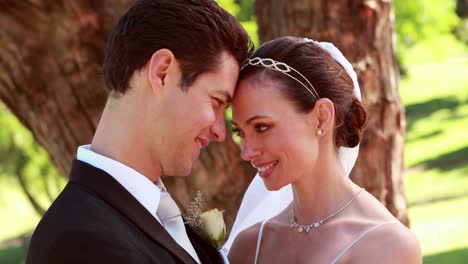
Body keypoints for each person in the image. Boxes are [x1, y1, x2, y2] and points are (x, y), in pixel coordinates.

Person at [26, 0, 251, 263]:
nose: (220, 132)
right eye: (215, 101)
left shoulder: (153, 215)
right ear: (162, 72)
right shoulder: (79, 242)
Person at [227, 36, 421, 264]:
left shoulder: (386, 246)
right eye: (240, 132)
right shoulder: (249, 247)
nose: (246, 152)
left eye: (262, 127)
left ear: (321, 118)